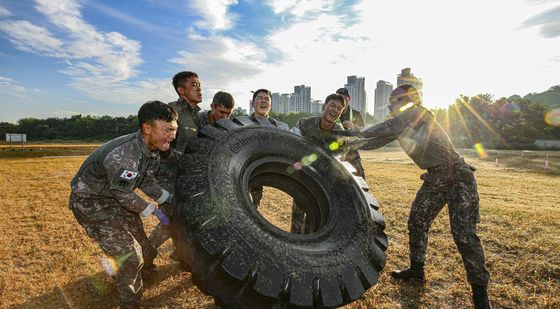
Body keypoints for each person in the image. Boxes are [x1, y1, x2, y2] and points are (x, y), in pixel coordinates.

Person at [358, 84, 491, 309]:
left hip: (457, 176)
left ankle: (480, 294)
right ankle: (417, 269)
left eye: (394, 99)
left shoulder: (418, 114)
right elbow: (371, 142)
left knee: (464, 235)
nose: (390, 103)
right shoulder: (400, 125)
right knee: (417, 222)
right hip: (434, 178)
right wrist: (346, 136)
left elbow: (380, 128)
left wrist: (354, 130)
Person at [69, 101, 177, 309]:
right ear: (147, 128)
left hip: (113, 197)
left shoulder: (152, 149)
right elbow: (123, 193)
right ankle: (130, 303)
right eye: (168, 130)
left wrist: (167, 197)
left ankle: (134, 274)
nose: (172, 135)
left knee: (143, 244)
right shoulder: (125, 155)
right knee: (130, 254)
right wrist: (152, 210)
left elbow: (146, 181)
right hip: (91, 203)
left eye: (174, 129)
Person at [151, 71, 202, 262]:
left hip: (188, 174)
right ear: (181, 90)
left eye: (200, 85)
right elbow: (159, 144)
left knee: (185, 218)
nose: (199, 88)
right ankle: (141, 261)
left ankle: (180, 254)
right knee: (168, 220)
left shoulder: (199, 115)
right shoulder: (171, 112)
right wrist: (187, 159)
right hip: (168, 174)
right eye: (194, 85)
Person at [290, 93, 348, 233]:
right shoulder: (305, 124)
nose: (334, 110)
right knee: (297, 218)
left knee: (314, 222)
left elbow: (338, 162)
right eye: (332, 105)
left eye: (339, 108)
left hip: (322, 182)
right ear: (324, 107)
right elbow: (290, 141)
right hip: (302, 177)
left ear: (341, 113)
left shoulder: (341, 135)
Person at [248, 89, 289, 207]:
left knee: (253, 209)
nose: (263, 101)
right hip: (240, 174)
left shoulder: (281, 128)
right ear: (253, 103)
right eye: (259, 98)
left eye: (267, 99)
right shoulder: (241, 124)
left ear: (270, 105)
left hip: (262, 176)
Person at [336, 87, 366, 178]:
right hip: (336, 151)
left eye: (343, 98)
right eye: (338, 98)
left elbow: (364, 131)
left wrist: (354, 127)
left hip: (352, 152)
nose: (341, 101)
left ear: (349, 98)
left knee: (360, 178)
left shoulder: (356, 114)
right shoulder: (334, 113)